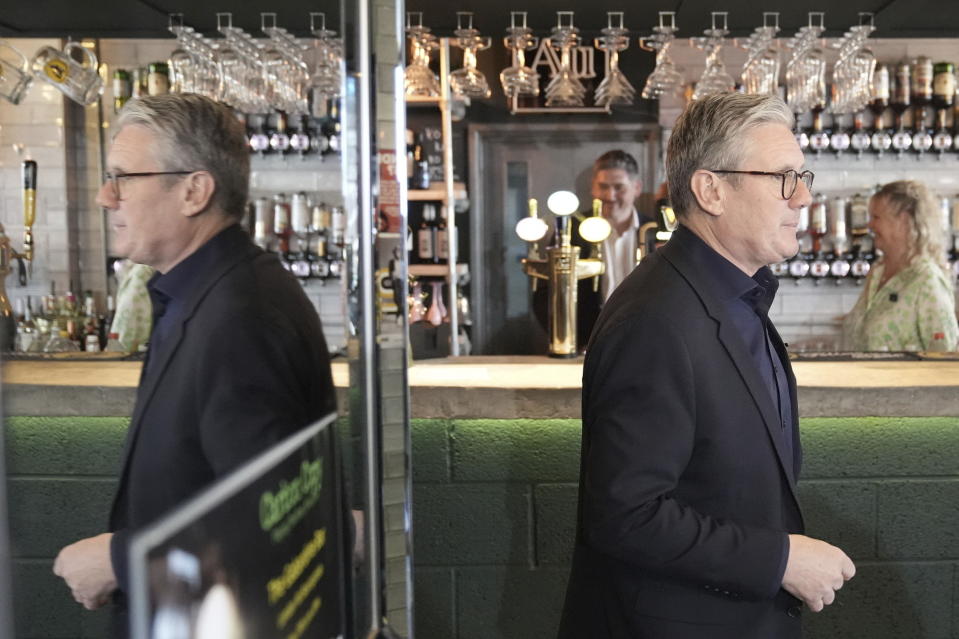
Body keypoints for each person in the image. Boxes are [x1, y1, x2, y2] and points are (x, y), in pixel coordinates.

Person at [557, 93, 855, 639]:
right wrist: (780, 560)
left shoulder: (735, 296)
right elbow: (625, 515)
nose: (805, 197)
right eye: (785, 178)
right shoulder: (657, 319)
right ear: (711, 189)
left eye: (803, 176)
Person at [51, 94, 337, 634]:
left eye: (122, 178)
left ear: (193, 190)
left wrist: (118, 560)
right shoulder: (208, 293)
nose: (104, 197)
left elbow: (273, 517)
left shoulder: (240, 318)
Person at [533, 150, 645, 348]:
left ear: (637, 188)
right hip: (588, 345)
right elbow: (545, 293)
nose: (610, 196)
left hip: (647, 342)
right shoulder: (571, 230)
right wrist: (570, 340)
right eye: (603, 187)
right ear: (593, 188)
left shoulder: (652, 231)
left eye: (619, 187)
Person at [842, 180, 958, 351]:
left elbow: (946, 357)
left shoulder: (927, 281)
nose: (870, 225)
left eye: (876, 217)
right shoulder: (877, 272)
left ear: (903, 221)